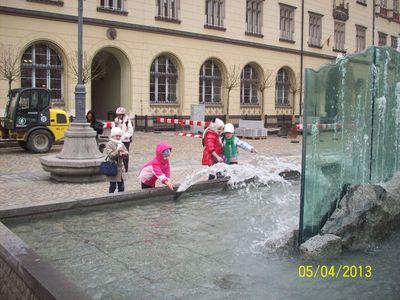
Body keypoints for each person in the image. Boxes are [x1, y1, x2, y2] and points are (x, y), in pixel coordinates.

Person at [104, 127, 129, 193]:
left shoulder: (121, 143)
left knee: (121, 186)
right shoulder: (109, 143)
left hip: (119, 167)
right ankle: (109, 198)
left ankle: (121, 198)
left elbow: (126, 153)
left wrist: (125, 153)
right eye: (117, 136)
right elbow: (111, 156)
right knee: (113, 186)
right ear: (113, 135)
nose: (118, 137)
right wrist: (118, 151)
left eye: (119, 136)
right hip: (112, 167)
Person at [114, 107, 134, 172]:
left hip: (125, 140)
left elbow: (130, 131)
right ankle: (119, 167)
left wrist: (124, 137)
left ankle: (126, 168)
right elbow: (114, 129)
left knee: (125, 154)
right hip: (117, 140)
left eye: (119, 115)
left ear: (122, 115)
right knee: (117, 153)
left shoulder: (127, 120)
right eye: (117, 115)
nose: (118, 116)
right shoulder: (116, 120)